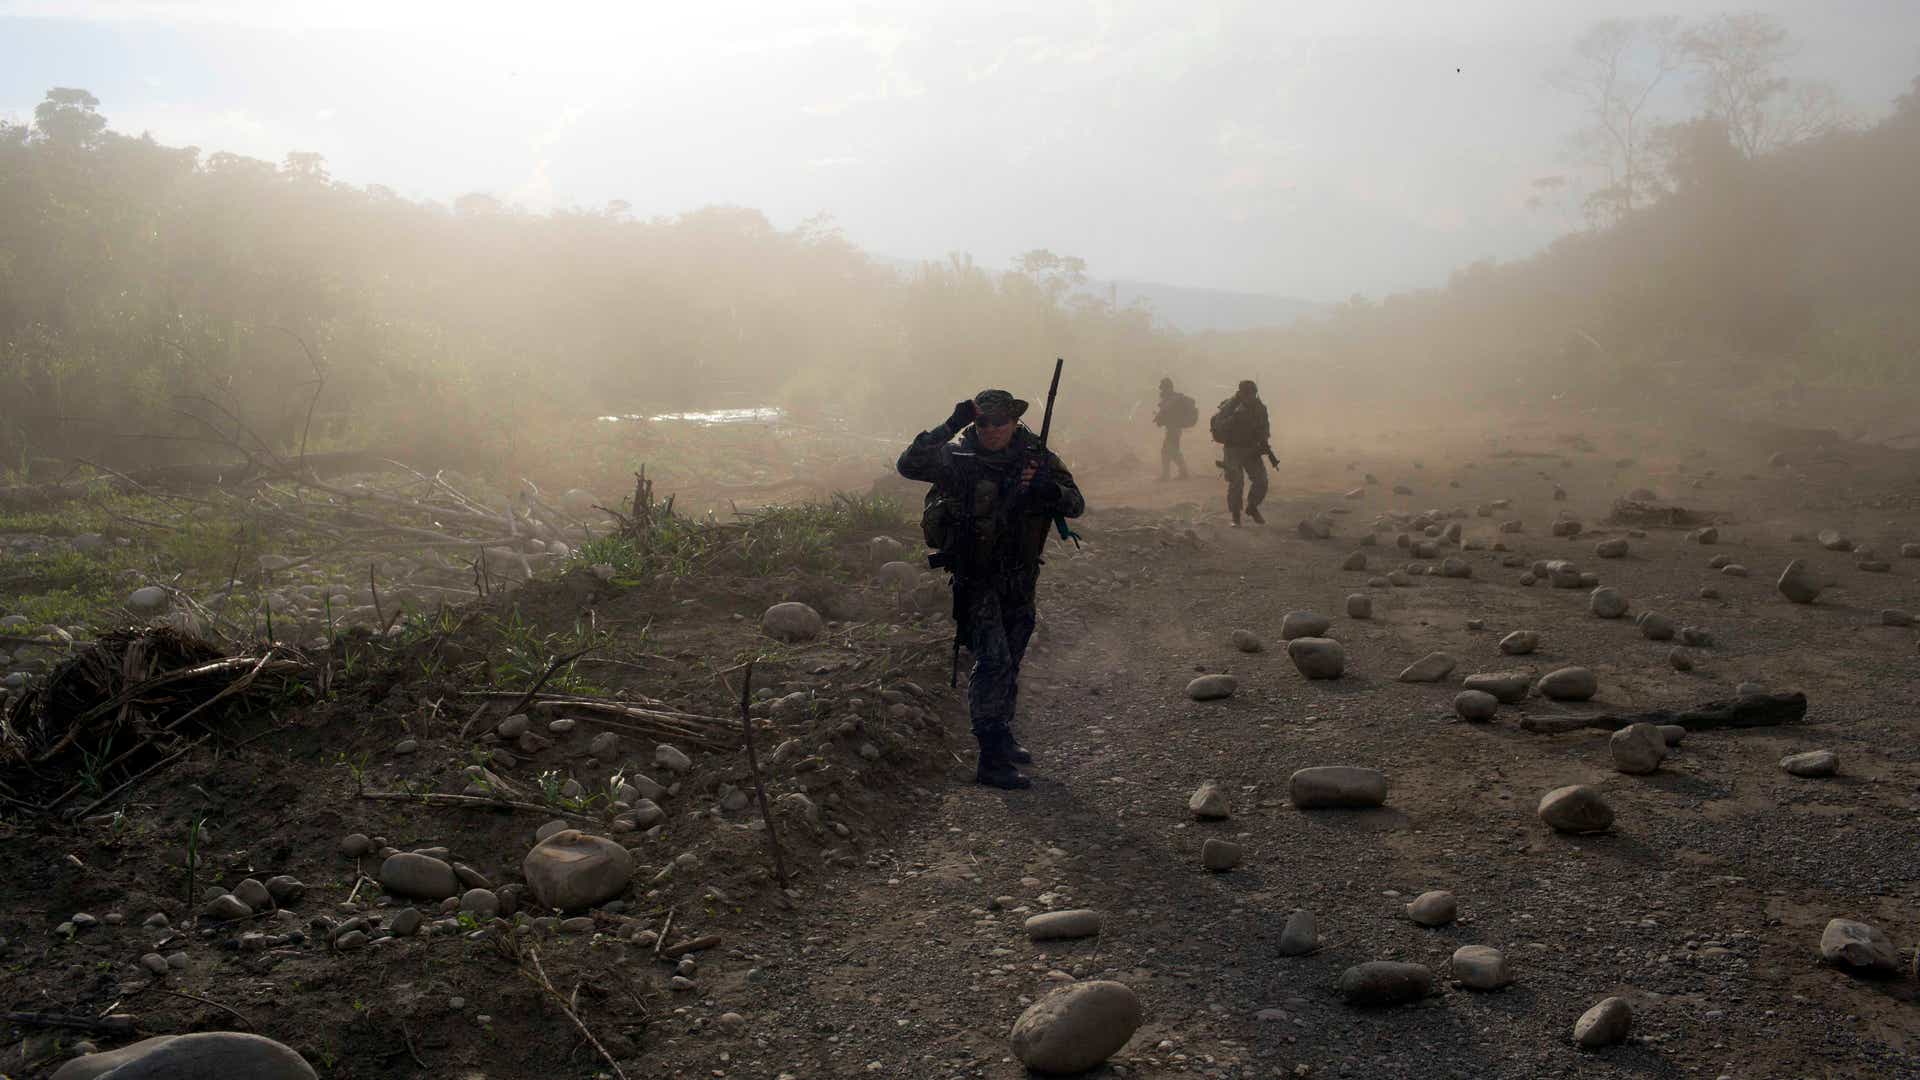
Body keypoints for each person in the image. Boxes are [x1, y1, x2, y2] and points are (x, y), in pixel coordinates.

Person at [897, 389, 1085, 789]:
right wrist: (949, 424)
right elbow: (908, 465)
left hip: (1020, 577)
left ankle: (1001, 734)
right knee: (994, 659)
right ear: (974, 423)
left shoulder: (1037, 459)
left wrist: (1047, 492)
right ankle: (989, 758)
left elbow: (1075, 503)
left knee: (1012, 658)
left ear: (1015, 421)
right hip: (976, 578)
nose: (993, 430)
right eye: (983, 422)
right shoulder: (958, 459)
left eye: (1000, 422)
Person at [1209, 379, 1273, 526]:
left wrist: (1263, 442)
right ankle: (1235, 516)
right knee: (1236, 482)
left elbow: (1265, 427)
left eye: (1254, 394)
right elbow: (1219, 426)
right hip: (1233, 449)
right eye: (1249, 394)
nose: (1252, 397)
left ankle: (1252, 507)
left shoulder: (1259, 407)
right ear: (1241, 394)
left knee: (1261, 481)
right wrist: (1235, 417)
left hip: (1252, 449)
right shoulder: (1230, 406)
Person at [1151, 377, 1197, 480]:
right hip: (1173, 429)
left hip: (1174, 429)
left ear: (1167, 387)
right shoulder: (1172, 398)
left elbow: (1167, 413)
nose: (1161, 390)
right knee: (1173, 451)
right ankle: (1182, 472)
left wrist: (1160, 417)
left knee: (1167, 451)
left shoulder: (1172, 399)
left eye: (1163, 387)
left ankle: (1168, 475)